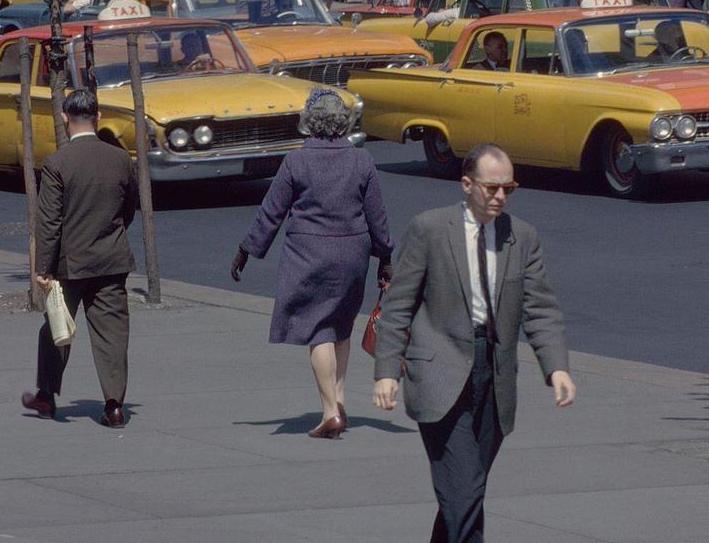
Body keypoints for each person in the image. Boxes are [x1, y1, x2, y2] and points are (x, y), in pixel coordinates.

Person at [373, 143, 576, 542]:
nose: (501, 196)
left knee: (465, 492)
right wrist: (386, 372)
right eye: (491, 188)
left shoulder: (521, 237)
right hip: (439, 372)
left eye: (509, 188)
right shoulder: (430, 229)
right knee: (464, 490)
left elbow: (540, 308)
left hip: (494, 375)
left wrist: (557, 367)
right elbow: (399, 306)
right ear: (466, 185)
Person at [231, 90, 393, 438]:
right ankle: (340, 399)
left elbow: (271, 212)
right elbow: (376, 216)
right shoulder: (361, 161)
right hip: (353, 252)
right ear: (344, 122)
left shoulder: (296, 162)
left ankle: (330, 412)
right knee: (341, 325)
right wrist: (386, 257)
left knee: (317, 330)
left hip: (309, 253)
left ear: (309, 122)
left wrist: (247, 249)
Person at [21, 89, 138, 428]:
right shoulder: (120, 159)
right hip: (112, 259)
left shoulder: (58, 163)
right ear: (97, 117)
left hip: (70, 262)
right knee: (113, 333)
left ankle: (46, 394)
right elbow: (129, 207)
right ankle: (114, 405)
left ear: (64, 118)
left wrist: (43, 268)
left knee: (57, 327)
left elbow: (49, 222)